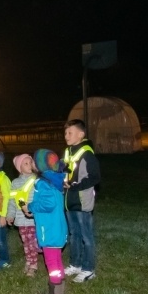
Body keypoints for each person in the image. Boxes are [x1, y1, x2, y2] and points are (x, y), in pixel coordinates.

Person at [23, 149, 68, 294]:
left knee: (51, 262)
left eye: (34, 161)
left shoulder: (43, 183)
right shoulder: (54, 181)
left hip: (49, 230)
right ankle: (59, 290)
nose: (33, 163)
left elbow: (48, 204)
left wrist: (31, 206)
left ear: (40, 165)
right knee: (56, 259)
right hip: (57, 228)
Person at [62, 119, 101, 283]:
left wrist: (76, 185)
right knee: (74, 234)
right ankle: (75, 264)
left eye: (70, 132)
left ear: (81, 134)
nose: (66, 136)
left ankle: (88, 269)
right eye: (65, 133)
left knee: (86, 236)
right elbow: (65, 170)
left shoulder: (87, 154)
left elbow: (95, 177)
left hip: (83, 202)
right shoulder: (68, 152)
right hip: (69, 200)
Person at [6, 153, 40, 277]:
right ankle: (29, 260)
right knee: (26, 242)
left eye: (30, 162)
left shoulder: (37, 180)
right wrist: (10, 215)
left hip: (33, 218)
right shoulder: (15, 183)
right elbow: (11, 201)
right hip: (20, 219)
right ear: (19, 168)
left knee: (32, 242)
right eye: (25, 163)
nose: (29, 165)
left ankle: (33, 264)